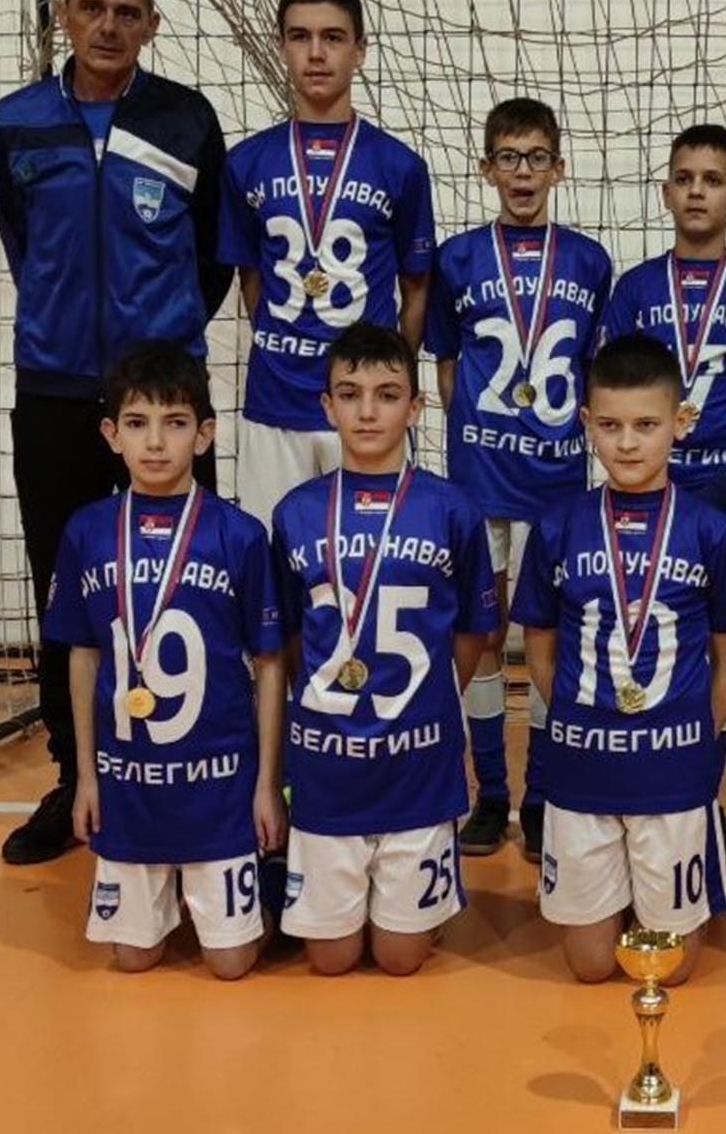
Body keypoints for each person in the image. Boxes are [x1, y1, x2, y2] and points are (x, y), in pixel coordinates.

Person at [0, 0, 233, 864]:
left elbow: (211, 257)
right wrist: (67, 326)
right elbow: (24, 244)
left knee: (184, 584)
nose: (107, 26)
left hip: (159, 397)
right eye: (91, 8)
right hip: (54, 392)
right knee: (66, 589)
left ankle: (187, 768)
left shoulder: (186, 119)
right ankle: (73, 776)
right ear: (64, 15)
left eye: (127, 12)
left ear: (151, 24)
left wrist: (155, 349)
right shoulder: (18, 122)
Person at [510, 337, 726, 985]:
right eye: (611, 426)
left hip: (673, 776)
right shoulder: (559, 526)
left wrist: (699, 735)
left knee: (669, 972)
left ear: (681, 422)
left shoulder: (710, 530)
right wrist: (574, 714)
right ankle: (616, 890)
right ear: (586, 423)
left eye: (646, 425)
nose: (627, 444)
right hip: (580, 774)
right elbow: (540, 644)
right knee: (591, 967)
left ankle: (654, 885)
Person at [42, 343, 283, 979]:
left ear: (204, 435)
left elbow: (269, 664)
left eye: (175, 423)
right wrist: (85, 779)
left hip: (220, 782)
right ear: (111, 434)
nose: (155, 442)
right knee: (133, 958)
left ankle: (263, 886)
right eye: (137, 423)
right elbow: (83, 657)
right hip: (129, 784)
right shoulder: (87, 532)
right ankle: (171, 892)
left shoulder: (240, 535)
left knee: (231, 963)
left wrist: (266, 786)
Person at [267, 324, 498, 976]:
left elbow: (472, 633)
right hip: (326, 767)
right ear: (327, 407)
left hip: (417, 766)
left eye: (388, 394)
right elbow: (290, 636)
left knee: (401, 959)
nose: (368, 411)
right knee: (331, 960)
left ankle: (412, 895)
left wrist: (431, 703)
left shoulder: (452, 510)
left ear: (416, 408)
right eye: (350, 394)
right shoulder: (295, 512)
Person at [595, 123, 726, 863]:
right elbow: (611, 393)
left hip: (724, 503)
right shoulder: (636, 289)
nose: (697, 191)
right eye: (684, 178)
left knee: (720, 649)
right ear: (665, 191)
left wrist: (719, 490)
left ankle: (702, 794)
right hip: (645, 496)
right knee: (645, 636)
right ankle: (637, 782)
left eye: (713, 180)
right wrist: (650, 477)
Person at [426, 98, 614, 860]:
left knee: (547, 633)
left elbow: (596, 370)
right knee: (480, 630)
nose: (523, 173)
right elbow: (447, 366)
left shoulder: (590, 261)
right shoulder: (458, 258)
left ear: (559, 168)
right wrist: (480, 437)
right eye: (509, 157)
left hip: (557, 482)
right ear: (487, 169)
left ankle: (538, 796)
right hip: (480, 478)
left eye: (537, 158)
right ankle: (490, 794)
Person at [218, 0, 436, 524]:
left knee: (373, 556)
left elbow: (416, 288)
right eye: (300, 36)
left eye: (333, 37)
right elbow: (250, 278)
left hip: (365, 409)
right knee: (276, 554)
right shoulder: (246, 163)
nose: (316, 54)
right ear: (281, 46)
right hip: (275, 404)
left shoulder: (401, 166)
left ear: (360, 49)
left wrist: (384, 378)